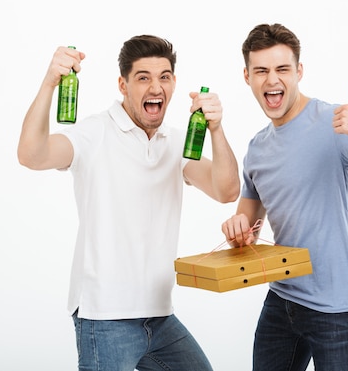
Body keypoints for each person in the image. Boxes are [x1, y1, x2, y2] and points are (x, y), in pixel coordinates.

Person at [17, 35, 240, 371]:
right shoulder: (93, 133)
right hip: (106, 317)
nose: (155, 87)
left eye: (164, 77)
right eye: (143, 77)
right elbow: (31, 155)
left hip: (160, 317)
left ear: (174, 83)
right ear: (123, 84)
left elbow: (227, 191)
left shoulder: (178, 141)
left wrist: (217, 130)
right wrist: (50, 82)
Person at [221, 23, 348, 371]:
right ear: (247, 76)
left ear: (299, 71)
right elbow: (248, 231)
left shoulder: (336, 124)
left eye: (282, 69)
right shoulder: (257, 149)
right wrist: (238, 228)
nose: (272, 80)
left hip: (339, 308)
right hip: (282, 300)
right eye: (261, 71)